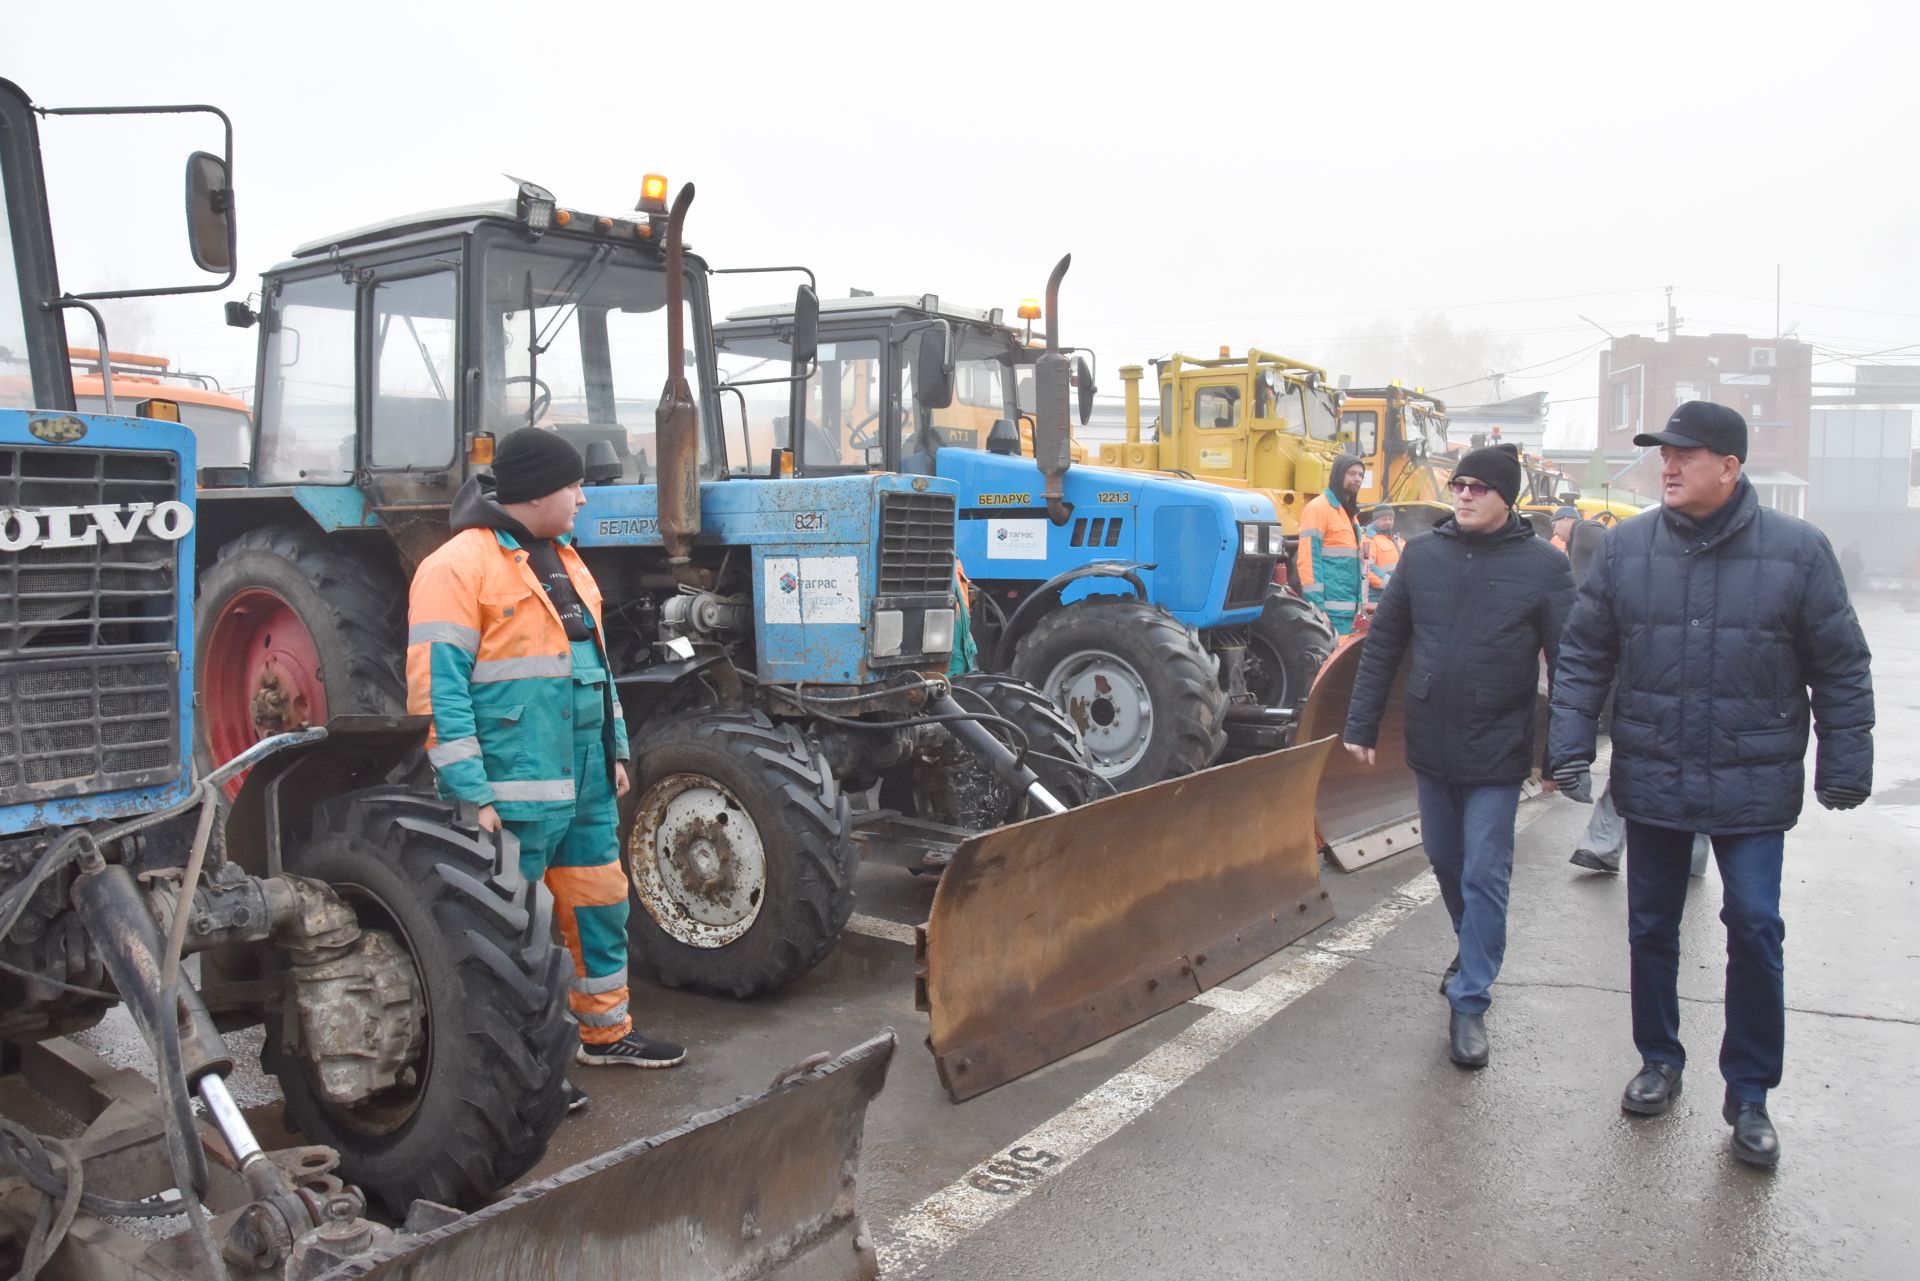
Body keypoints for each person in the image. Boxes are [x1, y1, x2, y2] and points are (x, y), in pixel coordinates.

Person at [1548, 401, 1873, 1169]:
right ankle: (1659, 1058)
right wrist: (1567, 744)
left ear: (1729, 467)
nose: (1667, 466)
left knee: (1756, 926)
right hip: (1654, 772)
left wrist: (1845, 762)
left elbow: (1840, 664)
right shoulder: (1628, 550)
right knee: (1651, 927)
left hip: (1752, 780)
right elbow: (1585, 653)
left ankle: (1751, 1093)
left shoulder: (1797, 552)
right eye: (1663, 454)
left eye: (1685, 455)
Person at [408, 427, 687, 1102]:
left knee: (598, 903)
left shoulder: (563, 558)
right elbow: (436, 692)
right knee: (513, 935)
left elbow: (595, 665)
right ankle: (526, 1066)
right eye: (574, 486)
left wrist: (615, 748)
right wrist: (471, 789)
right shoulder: (454, 568)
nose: (584, 498)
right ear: (538, 491)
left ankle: (604, 1031)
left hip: (584, 778)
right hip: (514, 788)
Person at [1342, 445, 1574, 1069]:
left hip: (1498, 748)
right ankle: (1471, 945)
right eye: (1459, 484)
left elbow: (1569, 665)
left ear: (1507, 497)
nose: (1464, 495)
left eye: (1478, 487)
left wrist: (1560, 753)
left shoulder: (1542, 568)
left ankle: (1470, 1000)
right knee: (1446, 860)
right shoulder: (1425, 557)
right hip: (1431, 742)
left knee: (1484, 870)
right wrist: (1361, 723)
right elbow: (1384, 643)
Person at [1299, 454, 1365, 636]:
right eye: (1352, 473)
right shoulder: (1318, 508)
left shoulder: (1350, 514)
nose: (1357, 479)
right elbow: (1309, 560)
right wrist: (1317, 607)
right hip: (1330, 612)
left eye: (1360, 475)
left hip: (1351, 610)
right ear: (1338, 474)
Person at [1362, 506, 1403, 595]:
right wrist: (1392, 584)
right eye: (1384, 519)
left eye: (1390, 519)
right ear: (1375, 520)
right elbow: (1366, 567)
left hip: (1395, 594)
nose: (1388, 522)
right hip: (1376, 597)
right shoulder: (1367, 540)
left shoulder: (1399, 540)